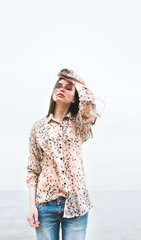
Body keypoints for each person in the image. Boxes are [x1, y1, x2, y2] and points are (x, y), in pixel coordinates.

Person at [26, 68, 100, 240]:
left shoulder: (80, 124)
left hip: (76, 205)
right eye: (58, 86)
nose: (61, 89)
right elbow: (32, 169)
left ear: (74, 97)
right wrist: (32, 206)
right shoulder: (38, 127)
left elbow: (88, 101)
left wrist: (76, 81)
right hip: (45, 205)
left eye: (68, 88)